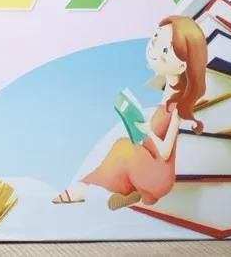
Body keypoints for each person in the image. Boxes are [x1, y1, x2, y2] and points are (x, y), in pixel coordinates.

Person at [52, 15, 208, 210]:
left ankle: (86, 189)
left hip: (160, 174)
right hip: (151, 164)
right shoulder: (167, 93)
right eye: (155, 38)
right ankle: (130, 192)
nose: (153, 48)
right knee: (123, 145)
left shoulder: (178, 104)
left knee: (124, 148)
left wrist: (148, 131)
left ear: (182, 66)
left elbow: (166, 152)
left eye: (165, 50)